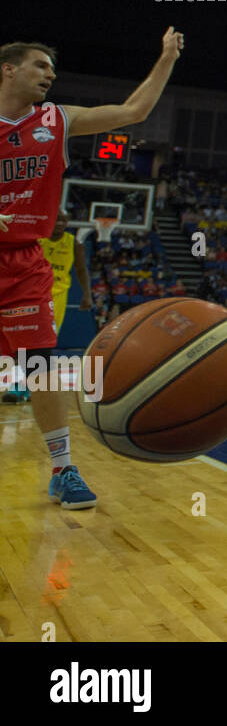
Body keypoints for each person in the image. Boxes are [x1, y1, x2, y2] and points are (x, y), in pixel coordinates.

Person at [0, 30, 183, 508]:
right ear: (9, 69)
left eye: (52, 68)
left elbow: (133, 113)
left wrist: (165, 57)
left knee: (39, 366)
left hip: (24, 262)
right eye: (40, 65)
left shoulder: (56, 120)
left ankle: (63, 469)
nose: (50, 75)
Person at [3, 210, 92, 403]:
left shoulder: (74, 243)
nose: (60, 223)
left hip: (57, 297)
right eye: (56, 219)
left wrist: (87, 293)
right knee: (22, 343)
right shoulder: (36, 240)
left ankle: (24, 387)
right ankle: (22, 386)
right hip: (30, 294)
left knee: (37, 346)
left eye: (64, 220)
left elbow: (81, 269)